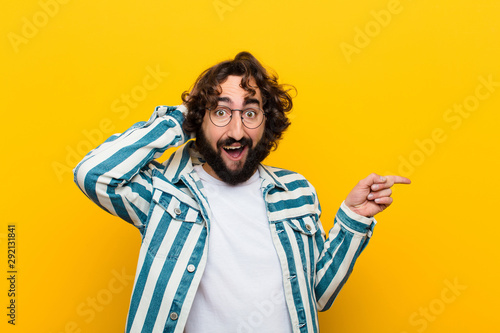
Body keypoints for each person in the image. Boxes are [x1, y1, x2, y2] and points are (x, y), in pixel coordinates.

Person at [74, 51, 410, 333]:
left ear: (267, 121)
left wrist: (353, 219)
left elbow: (317, 296)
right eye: (220, 112)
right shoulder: (164, 192)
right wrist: (179, 118)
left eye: (250, 113)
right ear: (199, 120)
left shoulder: (295, 191)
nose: (237, 130)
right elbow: (94, 172)